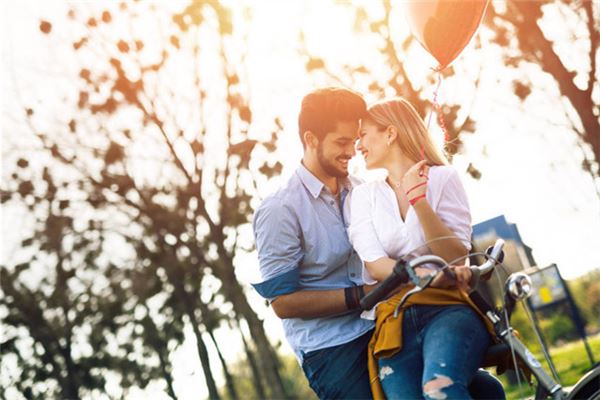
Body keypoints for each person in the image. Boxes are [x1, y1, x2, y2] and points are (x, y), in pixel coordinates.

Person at [252, 87, 504, 399]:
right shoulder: (280, 209)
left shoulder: (363, 191)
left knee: (484, 390)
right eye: (342, 142)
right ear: (311, 139)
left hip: (389, 321)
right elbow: (283, 303)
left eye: (356, 138)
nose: (353, 150)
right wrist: (367, 294)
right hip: (334, 348)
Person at [348, 97, 502, 399]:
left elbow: (457, 257)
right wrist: (420, 273)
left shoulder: (443, 178)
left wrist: (419, 201)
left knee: (439, 390)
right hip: (394, 323)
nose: (358, 145)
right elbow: (374, 264)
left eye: (363, 134)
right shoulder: (364, 196)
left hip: (446, 310)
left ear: (390, 133)